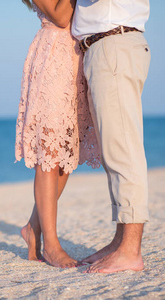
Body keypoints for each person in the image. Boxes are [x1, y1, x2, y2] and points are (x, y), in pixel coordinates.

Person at [16, 0, 101, 268]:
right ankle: (51, 246)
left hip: (77, 58)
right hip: (52, 58)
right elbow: (62, 15)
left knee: (67, 157)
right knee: (50, 155)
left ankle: (33, 227)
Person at [72, 0, 151, 273]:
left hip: (113, 44)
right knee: (114, 152)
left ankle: (130, 250)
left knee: (123, 151)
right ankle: (121, 242)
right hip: (109, 45)